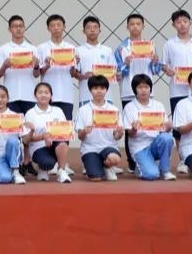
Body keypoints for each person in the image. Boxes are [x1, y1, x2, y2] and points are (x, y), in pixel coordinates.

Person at [115, 13, 162, 173]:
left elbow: (155, 70)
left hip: (147, 93)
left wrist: (155, 61)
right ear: (127, 27)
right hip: (128, 92)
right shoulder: (121, 48)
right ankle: (131, 161)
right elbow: (116, 73)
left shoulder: (150, 46)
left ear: (143, 26)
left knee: (149, 124)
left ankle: (149, 157)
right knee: (131, 127)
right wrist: (126, 64)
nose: (135, 27)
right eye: (132, 24)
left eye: (138, 24)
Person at [121, 74, 176, 181]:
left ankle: (165, 170)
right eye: (140, 87)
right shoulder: (129, 107)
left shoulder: (158, 105)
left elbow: (164, 129)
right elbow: (130, 134)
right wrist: (134, 129)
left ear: (150, 89)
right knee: (151, 175)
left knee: (167, 138)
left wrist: (169, 127)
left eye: (146, 87)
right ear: (135, 90)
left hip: (155, 143)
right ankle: (141, 167)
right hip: (140, 147)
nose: (143, 90)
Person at [75, 75, 124, 181]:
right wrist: (84, 131)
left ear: (106, 90)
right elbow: (80, 136)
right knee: (96, 178)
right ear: (90, 90)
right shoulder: (83, 110)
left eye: (102, 88)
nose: (99, 91)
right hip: (90, 149)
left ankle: (107, 166)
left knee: (114, 159)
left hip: (109, 146)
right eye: (95, 88)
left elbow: (117, 137)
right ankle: (96, 167)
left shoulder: (114, 110)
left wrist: (119, 133)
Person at [22, 82, 72, 183]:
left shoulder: (58, 111)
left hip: (56, 144)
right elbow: (26, 139)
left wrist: (52, 136)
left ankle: (61, 170)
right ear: (35, 95)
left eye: (46, 92)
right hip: (38, 147)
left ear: (51, 95)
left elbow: (65, 131)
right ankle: (43, 168)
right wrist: (43, 136)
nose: (43, 95)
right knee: (47, 163)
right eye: (40, 92)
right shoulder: (30, 113)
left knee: (62, 143)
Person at [35, 15, 77, 120]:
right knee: (47, 125)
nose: (56, 28)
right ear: (48, 28)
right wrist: (47, 65)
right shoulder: (41, 48)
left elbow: (73, 74)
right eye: (53, 26)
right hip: (47, 96)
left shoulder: (71, 48)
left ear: (64, 27)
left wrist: (74, 64)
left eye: (59, 25)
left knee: (65, 126)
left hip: (66, 95)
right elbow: (38, 73)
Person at [0, 16, 38, 115]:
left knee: (29, 123)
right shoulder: (3, 49)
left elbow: (36, 75)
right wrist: (4, 66)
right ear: (9, 30)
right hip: (11, 96)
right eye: (15, 26)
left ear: (24, 28)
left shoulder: (32, 49)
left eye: (20, 26)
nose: (18, 29)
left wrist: (36, 65)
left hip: (29, 95)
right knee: (12, 124)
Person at [75, 16, 118, 106]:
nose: (92, 30)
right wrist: (84, 76)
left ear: (99, 30)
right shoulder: (78, 51)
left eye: (95, 27)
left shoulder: (108, 50)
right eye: (89, 27)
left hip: (106, 97)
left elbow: (114, 72)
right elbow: (75, 74)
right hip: (86, 97)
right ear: (83, 31)